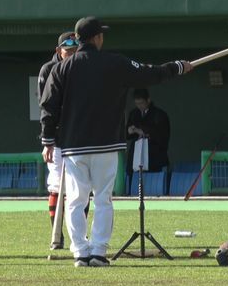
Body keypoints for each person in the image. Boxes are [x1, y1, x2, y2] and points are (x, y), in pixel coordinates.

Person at [40, 16, 192, 267]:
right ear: (98, 37)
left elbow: (48, 106)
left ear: (78, 39)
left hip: (73, 146)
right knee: (103, 199)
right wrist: (177, 67)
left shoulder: (62, 67)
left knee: (76, 201)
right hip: (106, 144)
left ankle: (80, 252)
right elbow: (149, 73)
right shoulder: (114, 62)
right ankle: (99, 251)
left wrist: (48, 141)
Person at [37, 31, 79, 250]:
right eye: (67, 50)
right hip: (57, 138)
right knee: (56, 186)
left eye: (75, 50)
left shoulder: (82, 68)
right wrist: (48, 141)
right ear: (58, 50)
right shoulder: (48, 69)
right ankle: (57, 235)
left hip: (80, 137)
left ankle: (78, 237)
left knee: (81, 188)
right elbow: (46, 107)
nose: (71, 54)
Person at [126, 88, 170, 187]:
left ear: (148, 100)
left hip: (154, 156)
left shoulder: (159, 115)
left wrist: (144, 131)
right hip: (136, 155)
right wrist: (130, 131)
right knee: (135, 184)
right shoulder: (134, 114)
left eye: (141, 103)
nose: (139, 106)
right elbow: (127, 135)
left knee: (153, 185)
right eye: (137, 103)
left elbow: (162, 136)